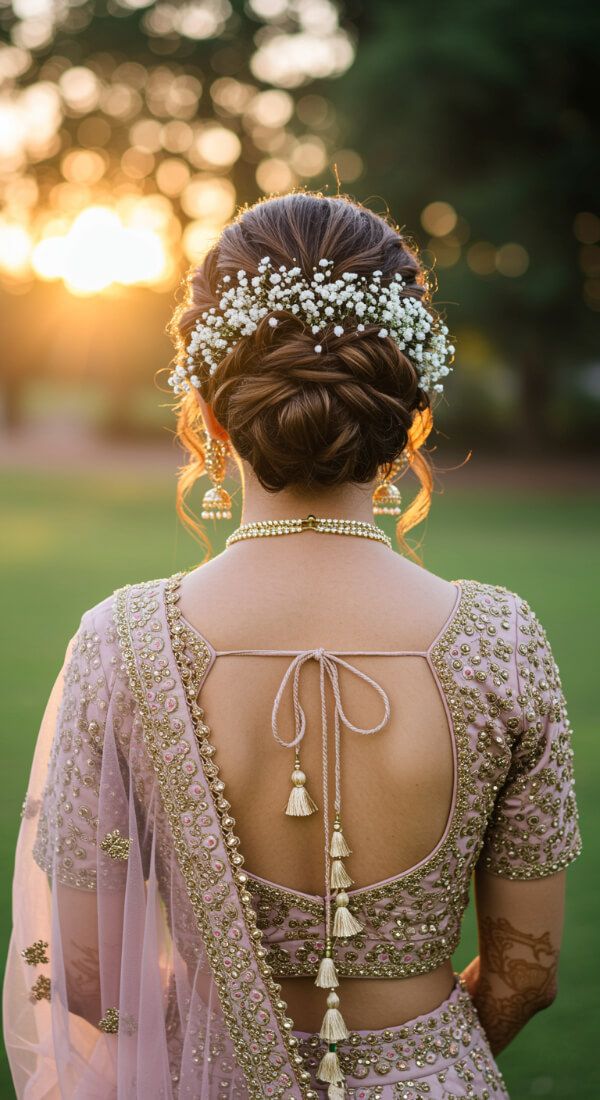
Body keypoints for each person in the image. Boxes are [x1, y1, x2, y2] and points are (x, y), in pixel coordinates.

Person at [3, 193, 581, 1100]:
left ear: (210, 407)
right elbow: (526, 975)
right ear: (410, 408)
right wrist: (424, 1066)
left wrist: (212, 1051)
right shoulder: (501, 643)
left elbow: (85, 974)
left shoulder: (119, 644)